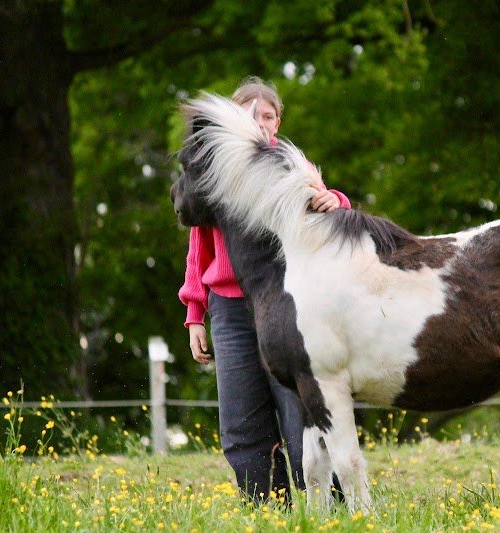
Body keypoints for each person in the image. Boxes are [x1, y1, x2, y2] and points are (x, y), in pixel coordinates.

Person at [178, 76, 351, 502]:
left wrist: (337, 201)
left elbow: (323, 211)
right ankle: (267, 510)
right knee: (241, 422)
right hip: (230, 312)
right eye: (249, 115)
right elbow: (198, 246)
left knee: (301, 413)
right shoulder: (215, 170)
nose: (259, 122)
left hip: (285, 306)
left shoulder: (291, 165)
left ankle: (329, 506)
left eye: (268, 115)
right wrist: (195, 312)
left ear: (278, 121)